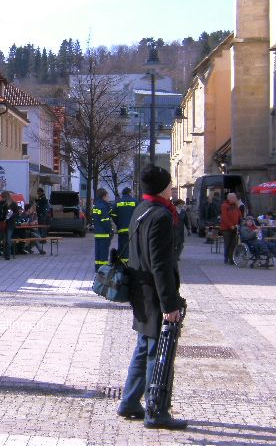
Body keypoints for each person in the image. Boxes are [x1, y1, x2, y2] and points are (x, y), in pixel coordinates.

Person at [117, 165, 187, 430]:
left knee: (143, 347)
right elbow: (161, 265)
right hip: (154, 294)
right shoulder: (161, 216)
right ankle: (156, 411)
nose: (172, 189)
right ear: (162, 187)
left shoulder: (140, 210)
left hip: (141, 291)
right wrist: (170, 304)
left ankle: (130, 401)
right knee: (157, 353)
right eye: (169, 185)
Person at [112, 187, 137, 263]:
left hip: (121, 229)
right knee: (132, 246)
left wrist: (118, 223)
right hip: (132, 229)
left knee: (122, 246)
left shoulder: (117, 203)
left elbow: (113, 215)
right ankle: (131, 262)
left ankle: (122, 264)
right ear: (129, 193)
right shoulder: (135, 201)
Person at [92, 188, 114, 272]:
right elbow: (105, 221)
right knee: (104, 253)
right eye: (107, 196)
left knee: (98, 252)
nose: (108, 197)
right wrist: (110, 231)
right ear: (104, 196)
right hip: (104, 233)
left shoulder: (96, 206)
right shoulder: (104, 207)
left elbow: (93, 219)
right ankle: (103, 269)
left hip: (97, 233)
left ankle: (97, 267)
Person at [220, 192, 242, 265]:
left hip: (235, 227)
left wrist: (240, 222)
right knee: (228, 243)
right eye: (234, 198)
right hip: (226, 228)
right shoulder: (224, 206)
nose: (235, 199)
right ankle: (226, 258)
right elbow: (224, 217)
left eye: (235, 198)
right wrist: (230, 225)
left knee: (234, 243)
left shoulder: (235, 206)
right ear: (230, 198)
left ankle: (231, 258)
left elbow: (239, 215)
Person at [0, 190, 20, 260]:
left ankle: (7, 255)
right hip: (3, 223)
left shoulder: (12, 204)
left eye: (2, 197)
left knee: (7, 240)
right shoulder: (0, 203)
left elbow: (17, 213)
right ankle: (3, 254)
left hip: (9, 224)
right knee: (3, 240)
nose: (1, 198)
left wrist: (11, 215)